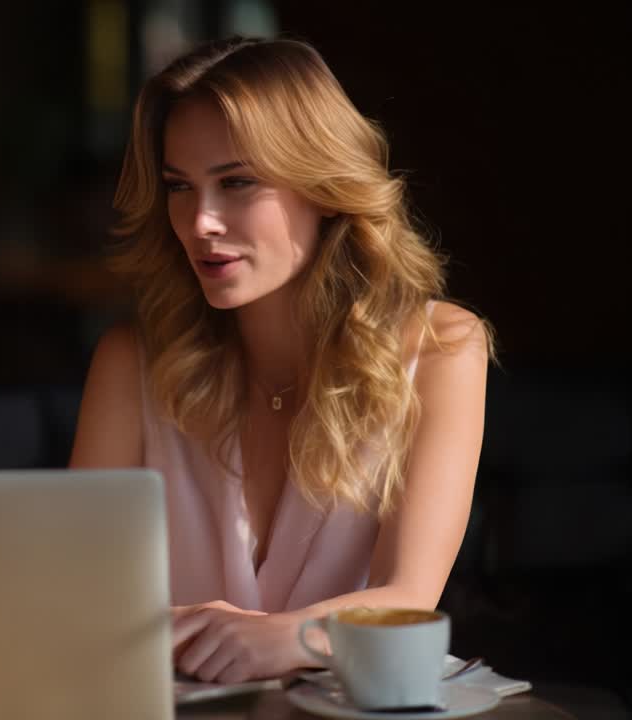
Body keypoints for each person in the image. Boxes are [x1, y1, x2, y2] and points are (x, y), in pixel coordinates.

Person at [70, 36, 491, 684]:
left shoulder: (442, 351)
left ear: (324, 185)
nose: (200, 221)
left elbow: (407, 598)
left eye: (236, 182)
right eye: (181, 186)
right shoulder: (132, 363)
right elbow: (75, 598)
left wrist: (284, 639)